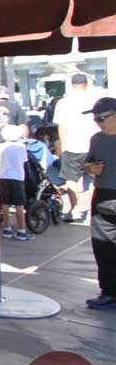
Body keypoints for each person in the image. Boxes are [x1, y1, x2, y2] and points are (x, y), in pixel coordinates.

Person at [81, 97, 116, 310]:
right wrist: (90, 168)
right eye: (96, 119)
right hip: (103, 195)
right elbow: (88, 162)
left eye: (103, 118)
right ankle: (110, 292)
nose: (100, 122)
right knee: (103, 247)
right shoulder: (97, 139)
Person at [53, 73, 102, 220]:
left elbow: (61, 126)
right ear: (86, 84)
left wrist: (62, 145)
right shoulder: (95, 101)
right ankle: (96, 209)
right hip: (94, 144)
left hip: (73, 146)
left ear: (72, 86)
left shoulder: (64, 103)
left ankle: (75, 210)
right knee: (96, 179)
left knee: (71, 179)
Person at [0, 123, 34, 241]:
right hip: (18, 177)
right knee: (19, 205)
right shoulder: (21, 147)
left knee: (5, 204)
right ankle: (21, 230)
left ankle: (7, 228)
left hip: (3, 176)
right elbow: (24, 162)